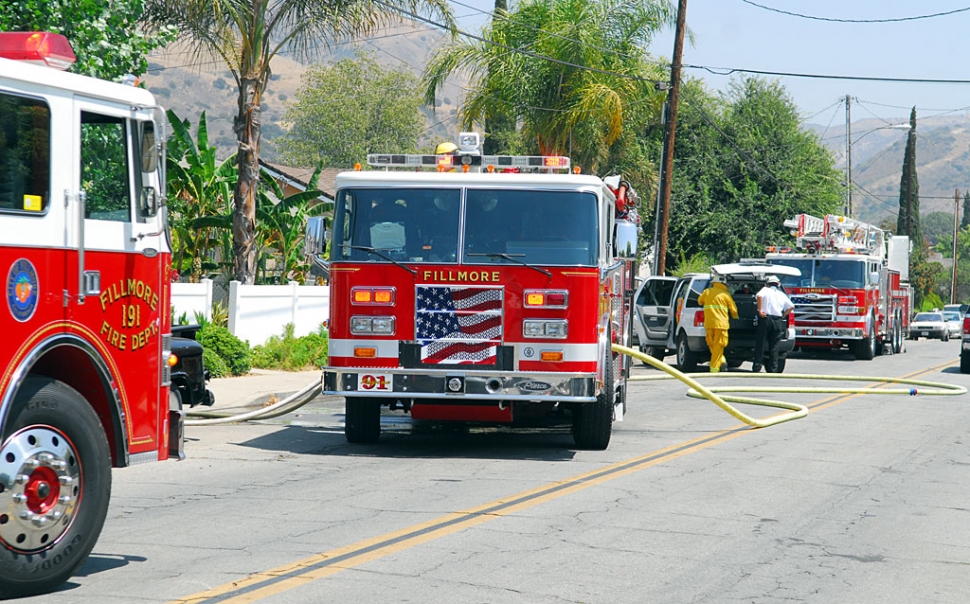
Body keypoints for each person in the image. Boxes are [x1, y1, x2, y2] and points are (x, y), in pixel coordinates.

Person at [752, 275, 795, 373]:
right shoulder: (781, 294)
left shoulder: (765, 290)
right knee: (774, 346)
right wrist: (783, 316)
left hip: (766, 319)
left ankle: (756, 367)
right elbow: (791, 306)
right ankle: (773, 369)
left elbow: (758, 296)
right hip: (777, 321)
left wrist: (759, 310)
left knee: (761, 344)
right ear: (778, 284)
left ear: (767, 284)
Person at [697, 275, 738, 373]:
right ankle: (714, 368)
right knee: (718, 346)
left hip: (709, 324)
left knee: (712, 344)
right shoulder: (726, 295)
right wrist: (736, 318)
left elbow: (699, 301)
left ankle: (721, 360)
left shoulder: (707, 292)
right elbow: (733, 310)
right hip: (721, 325)